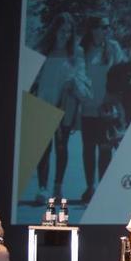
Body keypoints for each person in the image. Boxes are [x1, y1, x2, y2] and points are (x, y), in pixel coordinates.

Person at [30, 11, 88, 202]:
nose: (65, 35)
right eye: (62, 30)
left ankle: (58, 187)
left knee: (61, 147)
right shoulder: (43, 49)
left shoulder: (76, 52)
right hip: (44, 102)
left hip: (66, 105)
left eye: (69, 31)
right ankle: (42, 188)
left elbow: (81, 75)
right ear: (54, 30)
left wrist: (73, 83)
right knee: (43, 148)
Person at [79, 15, 127, 203]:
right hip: (88, 107)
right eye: (102, 26)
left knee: (105, 148)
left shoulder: (113, 47)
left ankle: (103, 188)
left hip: (107, 107)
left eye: (108, 26)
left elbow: (121, 73)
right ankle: (90, 186)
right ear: (93, 29)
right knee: (88, 149)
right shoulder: (83, 50)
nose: (106, 30)